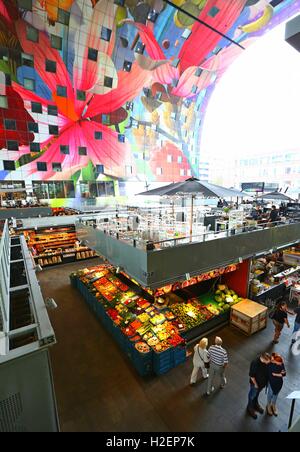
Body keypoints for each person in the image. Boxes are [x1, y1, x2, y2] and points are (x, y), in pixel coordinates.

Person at [247, 352, 271, 419]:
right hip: (255, 385)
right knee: (252, 395)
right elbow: (251, 376)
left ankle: (255, 403)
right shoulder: (255, 363)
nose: (268, 363)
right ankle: (250, 407)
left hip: (262, 384)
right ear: (263, 359)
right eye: (267, 362)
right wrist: (255, 384)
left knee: (257, 394)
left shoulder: (266, 362)